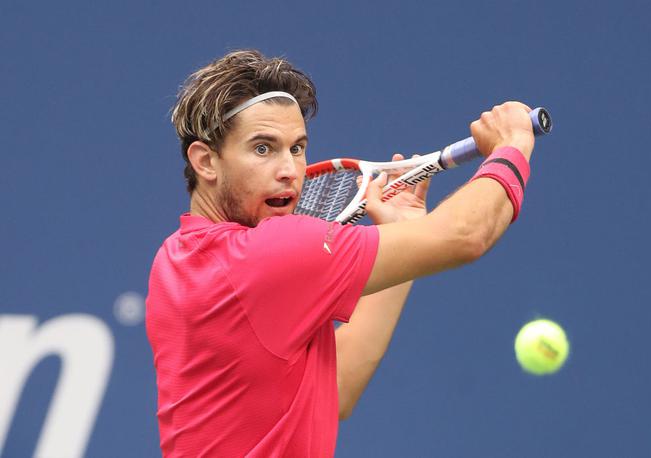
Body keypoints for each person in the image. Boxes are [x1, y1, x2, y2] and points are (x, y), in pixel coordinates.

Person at [146, 49, 537, 457]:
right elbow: (466, 234)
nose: (289, 170)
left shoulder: (174, 259)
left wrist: (402, 232)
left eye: (297, 148)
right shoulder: (268, 253)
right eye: (263, 149)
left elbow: (336, 390)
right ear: (205, 161)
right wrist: (511, 147)